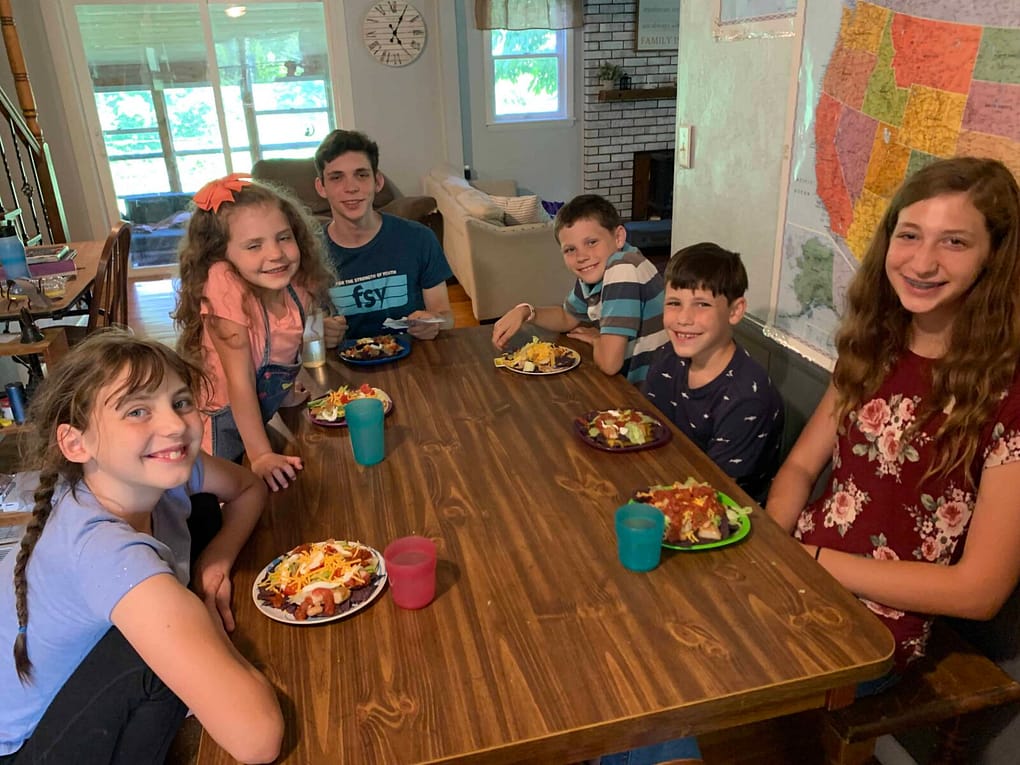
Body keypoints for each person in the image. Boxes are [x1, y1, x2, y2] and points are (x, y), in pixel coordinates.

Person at [767, 156, 1020, 684]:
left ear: (994, 257)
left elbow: (980, 592)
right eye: (910, 235)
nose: (922, 262)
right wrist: (772, 544)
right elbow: (798, 467)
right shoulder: (873, 344)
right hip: (795, 566)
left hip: (875, 628)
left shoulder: (1008, 392)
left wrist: (808, 558)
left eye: (954, 242)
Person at [0, 331, 282, 764]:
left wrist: (216, 561)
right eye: (137, 411)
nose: (173, 426)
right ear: (77, 443)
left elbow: (248, 489)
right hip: (26, 745)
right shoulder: (104, 552)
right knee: (147, 658)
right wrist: (199, 616)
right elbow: (258, 740)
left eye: (181, 402)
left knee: (203, 510)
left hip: (72, 688)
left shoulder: (154, 467)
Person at [175, 173, 335, 491]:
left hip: (256, 415)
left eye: (284, 237)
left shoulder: (296, 283)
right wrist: (261, 454)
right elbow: (240, 381)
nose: (275, 254)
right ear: (222, 256)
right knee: (219, 504)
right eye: (253, 245)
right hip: (214, 425)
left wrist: (285, 392)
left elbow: (284, 345)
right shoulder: (224, 284)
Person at [642, 243, 784, 504]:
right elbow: (647, 435)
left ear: (735, 311)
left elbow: (714, 495)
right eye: (674, 302)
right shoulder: (666, 358)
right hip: (662, 483)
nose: (684, 318)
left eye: (702, 305)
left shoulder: (747, 398)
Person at [491, 194, 668, 385]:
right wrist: (526, 311)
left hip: (651, 394)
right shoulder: (599, 271)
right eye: (570, 250)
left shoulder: (623, 267)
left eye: (591, 242)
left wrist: (597, 340)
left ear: (618, 237)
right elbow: (567, 317)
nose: (581, 256)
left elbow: (609, 364)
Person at [314, 129, 454, 342]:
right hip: (347, 367)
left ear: (377, 182)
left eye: (361, 175)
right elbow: (309, 326)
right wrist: (320, 334)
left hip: (415, 363)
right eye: (336, 177)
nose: (351, 187)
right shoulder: (310, 253)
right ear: (321, 187)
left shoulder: (419, 239)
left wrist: (433, 324)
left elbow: (446, 317)